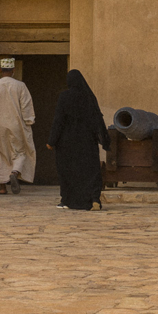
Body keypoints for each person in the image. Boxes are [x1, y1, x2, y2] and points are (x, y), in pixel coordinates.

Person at [47, 69, 110, 210]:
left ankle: (67, 200)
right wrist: (102, 139)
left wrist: (52, 141)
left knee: (68, 171)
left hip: (67, 142)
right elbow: (97, 120)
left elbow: (59, 120)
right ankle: (94, 199)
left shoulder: (64, 97)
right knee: (90, 170)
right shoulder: (89, 97)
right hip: (87, 141)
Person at [0, 57, 36, 195]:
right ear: (13, 70)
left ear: (0, 70)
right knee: (19, 152)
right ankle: (14, 172)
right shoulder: (20, 86)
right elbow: (26, 106)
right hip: (16, 124)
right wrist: (29, 120)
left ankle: (2, 187)